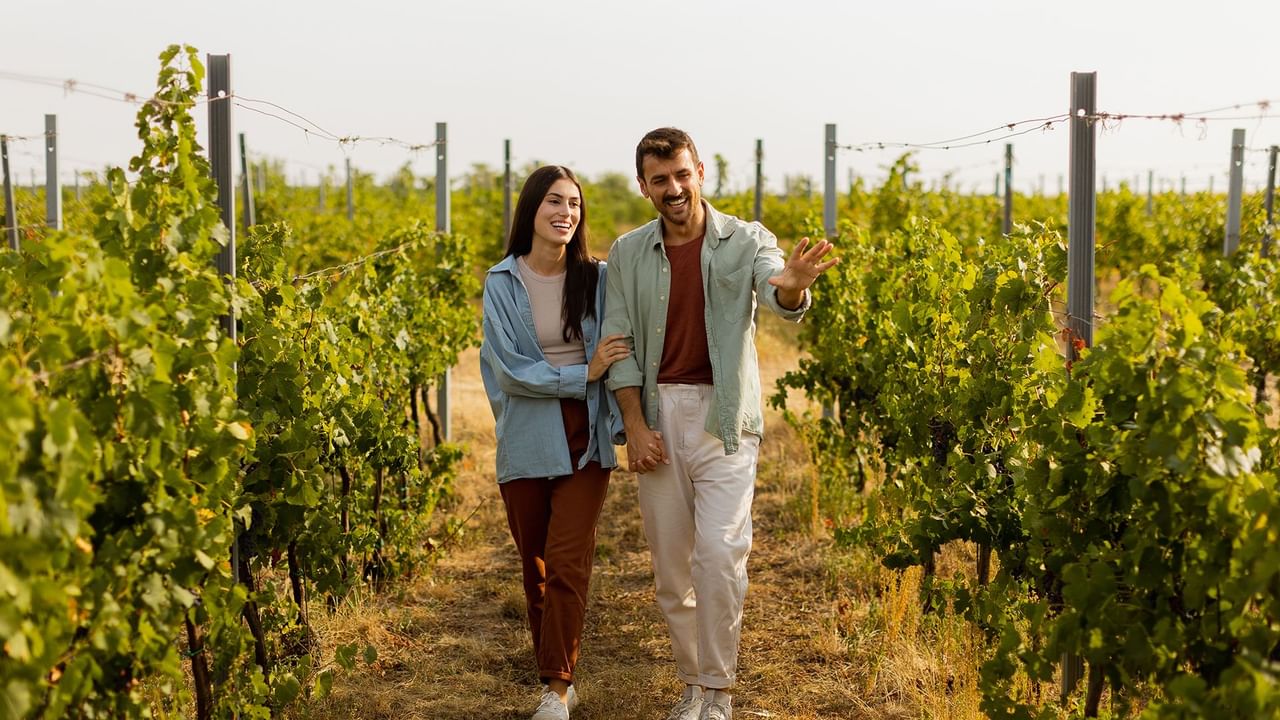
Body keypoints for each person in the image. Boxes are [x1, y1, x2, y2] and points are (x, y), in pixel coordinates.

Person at [602, 128, 838, 720]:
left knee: (720, 554)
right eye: (660, 180)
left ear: (700, 171)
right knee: (671, 568)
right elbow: (619, 342)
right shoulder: (628, 252)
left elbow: (776, 288)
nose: (673, 188)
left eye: (682, 174)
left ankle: (720, 691)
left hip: (725, 417)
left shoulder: (747, 239)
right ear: (644, 187)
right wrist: (634, 425)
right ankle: (692, 685)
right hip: (657, 416)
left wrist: (790, 289)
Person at [480, 165, 630, 720]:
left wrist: (608, 398)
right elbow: (512, 370)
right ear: (532, 211)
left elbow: (621, 345)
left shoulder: (598, 277)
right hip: (524, 434)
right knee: (535, 565)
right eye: (554, 203)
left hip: (585, 433)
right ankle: (558, 663)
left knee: (569, 561)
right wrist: (582, 373)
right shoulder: (501, 282)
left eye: (574, 204)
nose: (566, 213)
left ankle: (556, 689)